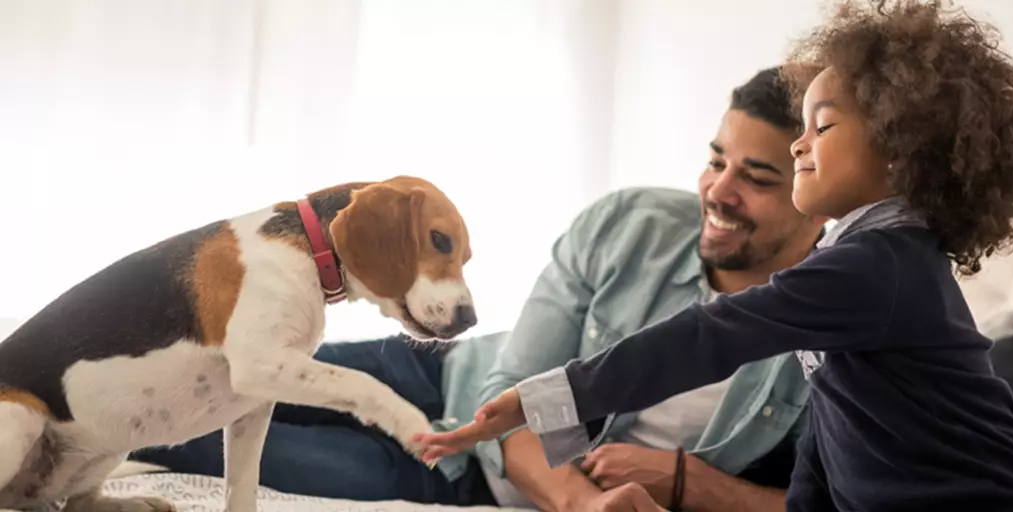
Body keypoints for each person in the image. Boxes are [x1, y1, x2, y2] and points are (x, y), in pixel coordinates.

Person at [416, 1, 1013, 510]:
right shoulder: (865, 263)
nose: (799, 145)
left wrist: (540, 399)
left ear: (898, 149)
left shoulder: (878, 268)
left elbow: (708, 337)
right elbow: (831, 440)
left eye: (823, 127)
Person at [130, 65, 825, 511]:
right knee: (203, 371)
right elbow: (517, 382)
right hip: (446, 371)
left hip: (458, 473)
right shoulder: (631, 223)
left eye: (757, 179)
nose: (718, 191)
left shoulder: (834, 325)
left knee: (185, 437)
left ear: (815, 191)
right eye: (714, 160)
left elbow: (827, 497)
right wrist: (582, 506)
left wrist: (692, 485)